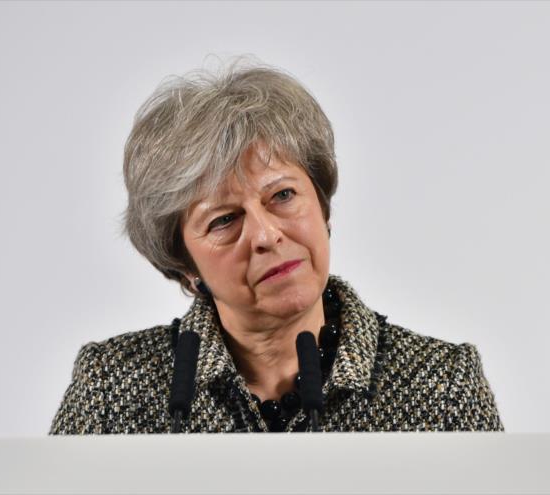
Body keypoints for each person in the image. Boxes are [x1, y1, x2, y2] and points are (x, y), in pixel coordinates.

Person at [50, 61, 504, 433]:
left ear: (322, 208)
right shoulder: (112, 388)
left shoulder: (442, 385)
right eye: (224, 220)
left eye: (283, 196)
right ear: (184, 263)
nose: (266, 235)